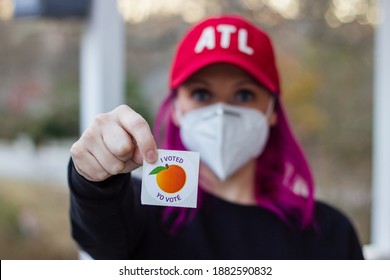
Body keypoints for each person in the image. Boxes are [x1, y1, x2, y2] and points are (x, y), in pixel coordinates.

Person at [68, 15, 364, 259]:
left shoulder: (328, 233)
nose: (221, 112)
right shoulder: (139, 211)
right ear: (176, 109)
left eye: (244, 94)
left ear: (272, 110)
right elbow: (98, 232)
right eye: (201, 94)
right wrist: (93, 177)